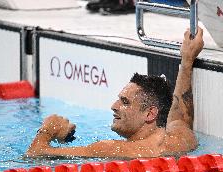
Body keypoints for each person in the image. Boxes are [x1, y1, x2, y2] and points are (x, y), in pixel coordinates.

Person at [26, 27, 204, 158]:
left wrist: (48, 130)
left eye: (125, 102)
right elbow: (181, 117)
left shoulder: (112, 149)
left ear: (150, 113)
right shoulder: (181, 140)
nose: (114, 106)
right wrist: (187, 59)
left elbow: (34, 155)